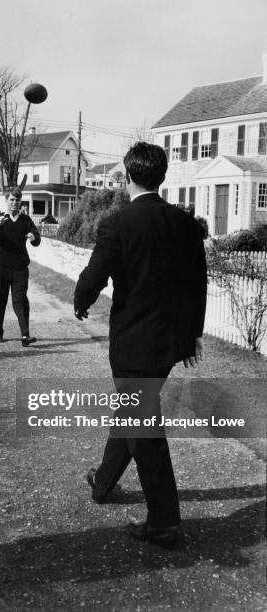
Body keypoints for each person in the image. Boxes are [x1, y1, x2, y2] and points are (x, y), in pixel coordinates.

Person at [74, 142, 207, 549]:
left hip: (133, 343)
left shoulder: (118, 223)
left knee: (141, 422)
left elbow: (95, 274)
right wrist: (192, 335)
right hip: (168, 343)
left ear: (128, 177)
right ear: (161, 177)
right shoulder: (185, 223)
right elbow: (197, 283)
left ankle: (165, 521)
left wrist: (81, 300)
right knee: (136, 410)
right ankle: (103, 481)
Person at [0, 188, 41, 346]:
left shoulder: (25, 220)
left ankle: (25, 335)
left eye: (17, 200)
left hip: (19, 267)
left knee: (20, 299)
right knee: (0, 299)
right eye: (12, 200)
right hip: (1, 267)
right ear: (6, 201)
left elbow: (36, 239)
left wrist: (33, 237)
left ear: (20, 201)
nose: (15, 203)